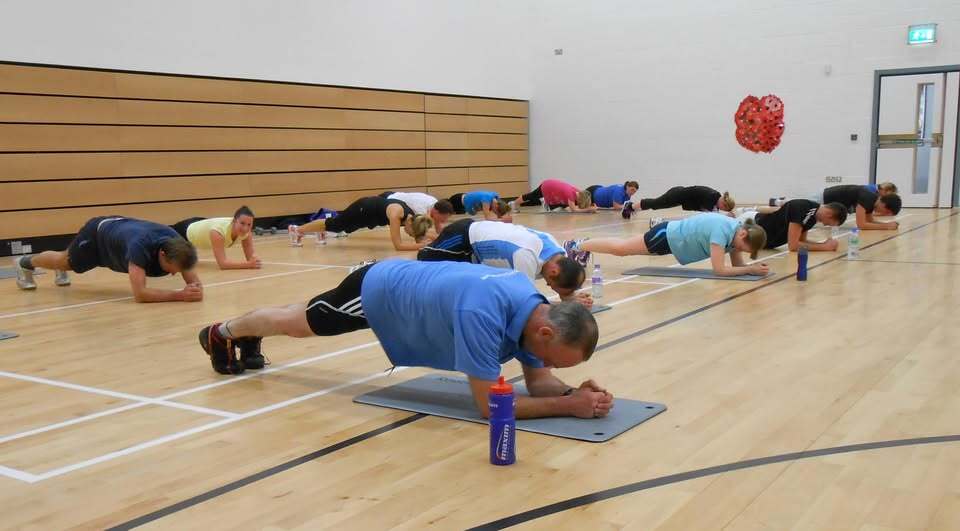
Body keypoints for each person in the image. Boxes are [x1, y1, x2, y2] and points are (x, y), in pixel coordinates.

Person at [197, 259, 612, 419]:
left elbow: (539, 382)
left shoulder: (536, 310)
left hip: (411, 286)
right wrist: (569, 406)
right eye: (561, 361)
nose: (554, 367)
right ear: (546, 331)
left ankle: (247, 336)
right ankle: (223, 332)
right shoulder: (482, 315)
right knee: (298, 323)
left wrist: (576, 393)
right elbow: (490, 407)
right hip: (380, 292)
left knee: (297, 315)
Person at [14, 216, 201, 302]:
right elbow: (140, 295)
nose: (175, 273)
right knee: (64, 261)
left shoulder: (177, 247)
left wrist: (194, 290)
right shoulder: (140, 246)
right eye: (172, 268)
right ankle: (25, 263)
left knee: (64, 260)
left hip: (121, 231)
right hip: (98, 236)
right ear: (162, 254)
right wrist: (179, 295)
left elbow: (195, 285)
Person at [417, 219, 591, 305]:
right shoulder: (526, 256)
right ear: (554, 272)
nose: (548, 285)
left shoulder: (557, 252)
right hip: (464, 235)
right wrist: (562, 304)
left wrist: (569, 297)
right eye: (552, 286)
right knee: (424, 259)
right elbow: (526, 303)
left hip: (476, 253)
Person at [564, 213, 768, 277]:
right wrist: (749, 269)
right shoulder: (722, 231)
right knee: (621, 249)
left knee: (623, 248)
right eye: (742, 247)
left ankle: (583, 246)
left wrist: (752, 269)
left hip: (672, 242)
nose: (739, 250)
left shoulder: (736, 236)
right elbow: (719, 269)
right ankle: (577, 245)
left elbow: (737, 264)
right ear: (743, 234)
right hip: (666, 236)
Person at [289, 195, 433, 251]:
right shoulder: (396, 215)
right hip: (363, 209)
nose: (409, 234)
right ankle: (297, 230)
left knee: (340, 227)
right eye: (411, 233)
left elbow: (422, 235)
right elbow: (398, 246)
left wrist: (431, 242)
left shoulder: (415, 218)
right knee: (335, 225)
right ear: (410, 225)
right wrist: (421, 245)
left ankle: (318, 231)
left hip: (372, 214)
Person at [170, 206, 260, 270]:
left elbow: (251, 259)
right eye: (242, 223)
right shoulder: (218, 233)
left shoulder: (247, 233)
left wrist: (253, 261)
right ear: (234, 221)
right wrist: (248, 264)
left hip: (202, 224)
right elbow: (223, 264)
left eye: (249, 224)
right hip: (187, 231)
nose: (245, 228)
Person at [738, 200, 847, 252]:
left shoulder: (813, 217)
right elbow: (793, 246)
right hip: (747, 225)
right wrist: (824, 247)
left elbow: (801, 242)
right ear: (829, 214)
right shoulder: (803, 209)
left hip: (762, 240)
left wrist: (823, 243)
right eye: (828, 222)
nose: (824, 224)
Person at [818, 184, 902, 230]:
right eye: (886, 213)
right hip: (821, 199)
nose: (883, 214)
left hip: (825, 203)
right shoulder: (867, 199)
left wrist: (887, 224)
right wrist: (886, 226)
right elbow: (861, 225)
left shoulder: (873, 202)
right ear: (884, 205)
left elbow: (870, 221)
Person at [622, 186, 735, 219]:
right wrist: (727, 216)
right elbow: (712, 215)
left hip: (681, 197)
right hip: (677, 195)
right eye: (724, 209)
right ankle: (630, 205)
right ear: (724, 204)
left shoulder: (715, 197)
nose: (722, 210)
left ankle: (632, 207)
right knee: (656, 204)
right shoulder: (711, 197)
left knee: (656, 204)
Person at [378, 191, 454, 232]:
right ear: (436, 211)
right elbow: (418, 232)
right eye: (443, 219)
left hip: (395, 196)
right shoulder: (421, 210)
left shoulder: (436, 204)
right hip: (386, 200)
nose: (444, 221)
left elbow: (438, 225)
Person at [512, 179, 597, 212]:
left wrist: (591, 206)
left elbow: (580, 203)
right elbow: (574, 210)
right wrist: (588, 209)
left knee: (559, 207)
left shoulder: (579, 192)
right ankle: (513, 204)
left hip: (553, 187)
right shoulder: (570, 195)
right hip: (547, 186)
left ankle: (545, 202)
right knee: (532, 196)